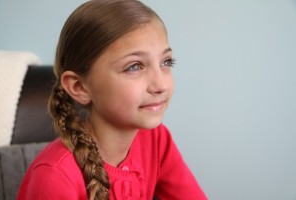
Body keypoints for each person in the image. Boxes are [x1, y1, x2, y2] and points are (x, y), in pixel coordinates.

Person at [17, 0, 207, 199]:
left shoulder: (156, 139)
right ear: (79, 87)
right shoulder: (53, 177)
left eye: (166, 62)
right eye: (134, 66)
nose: (160, 85)